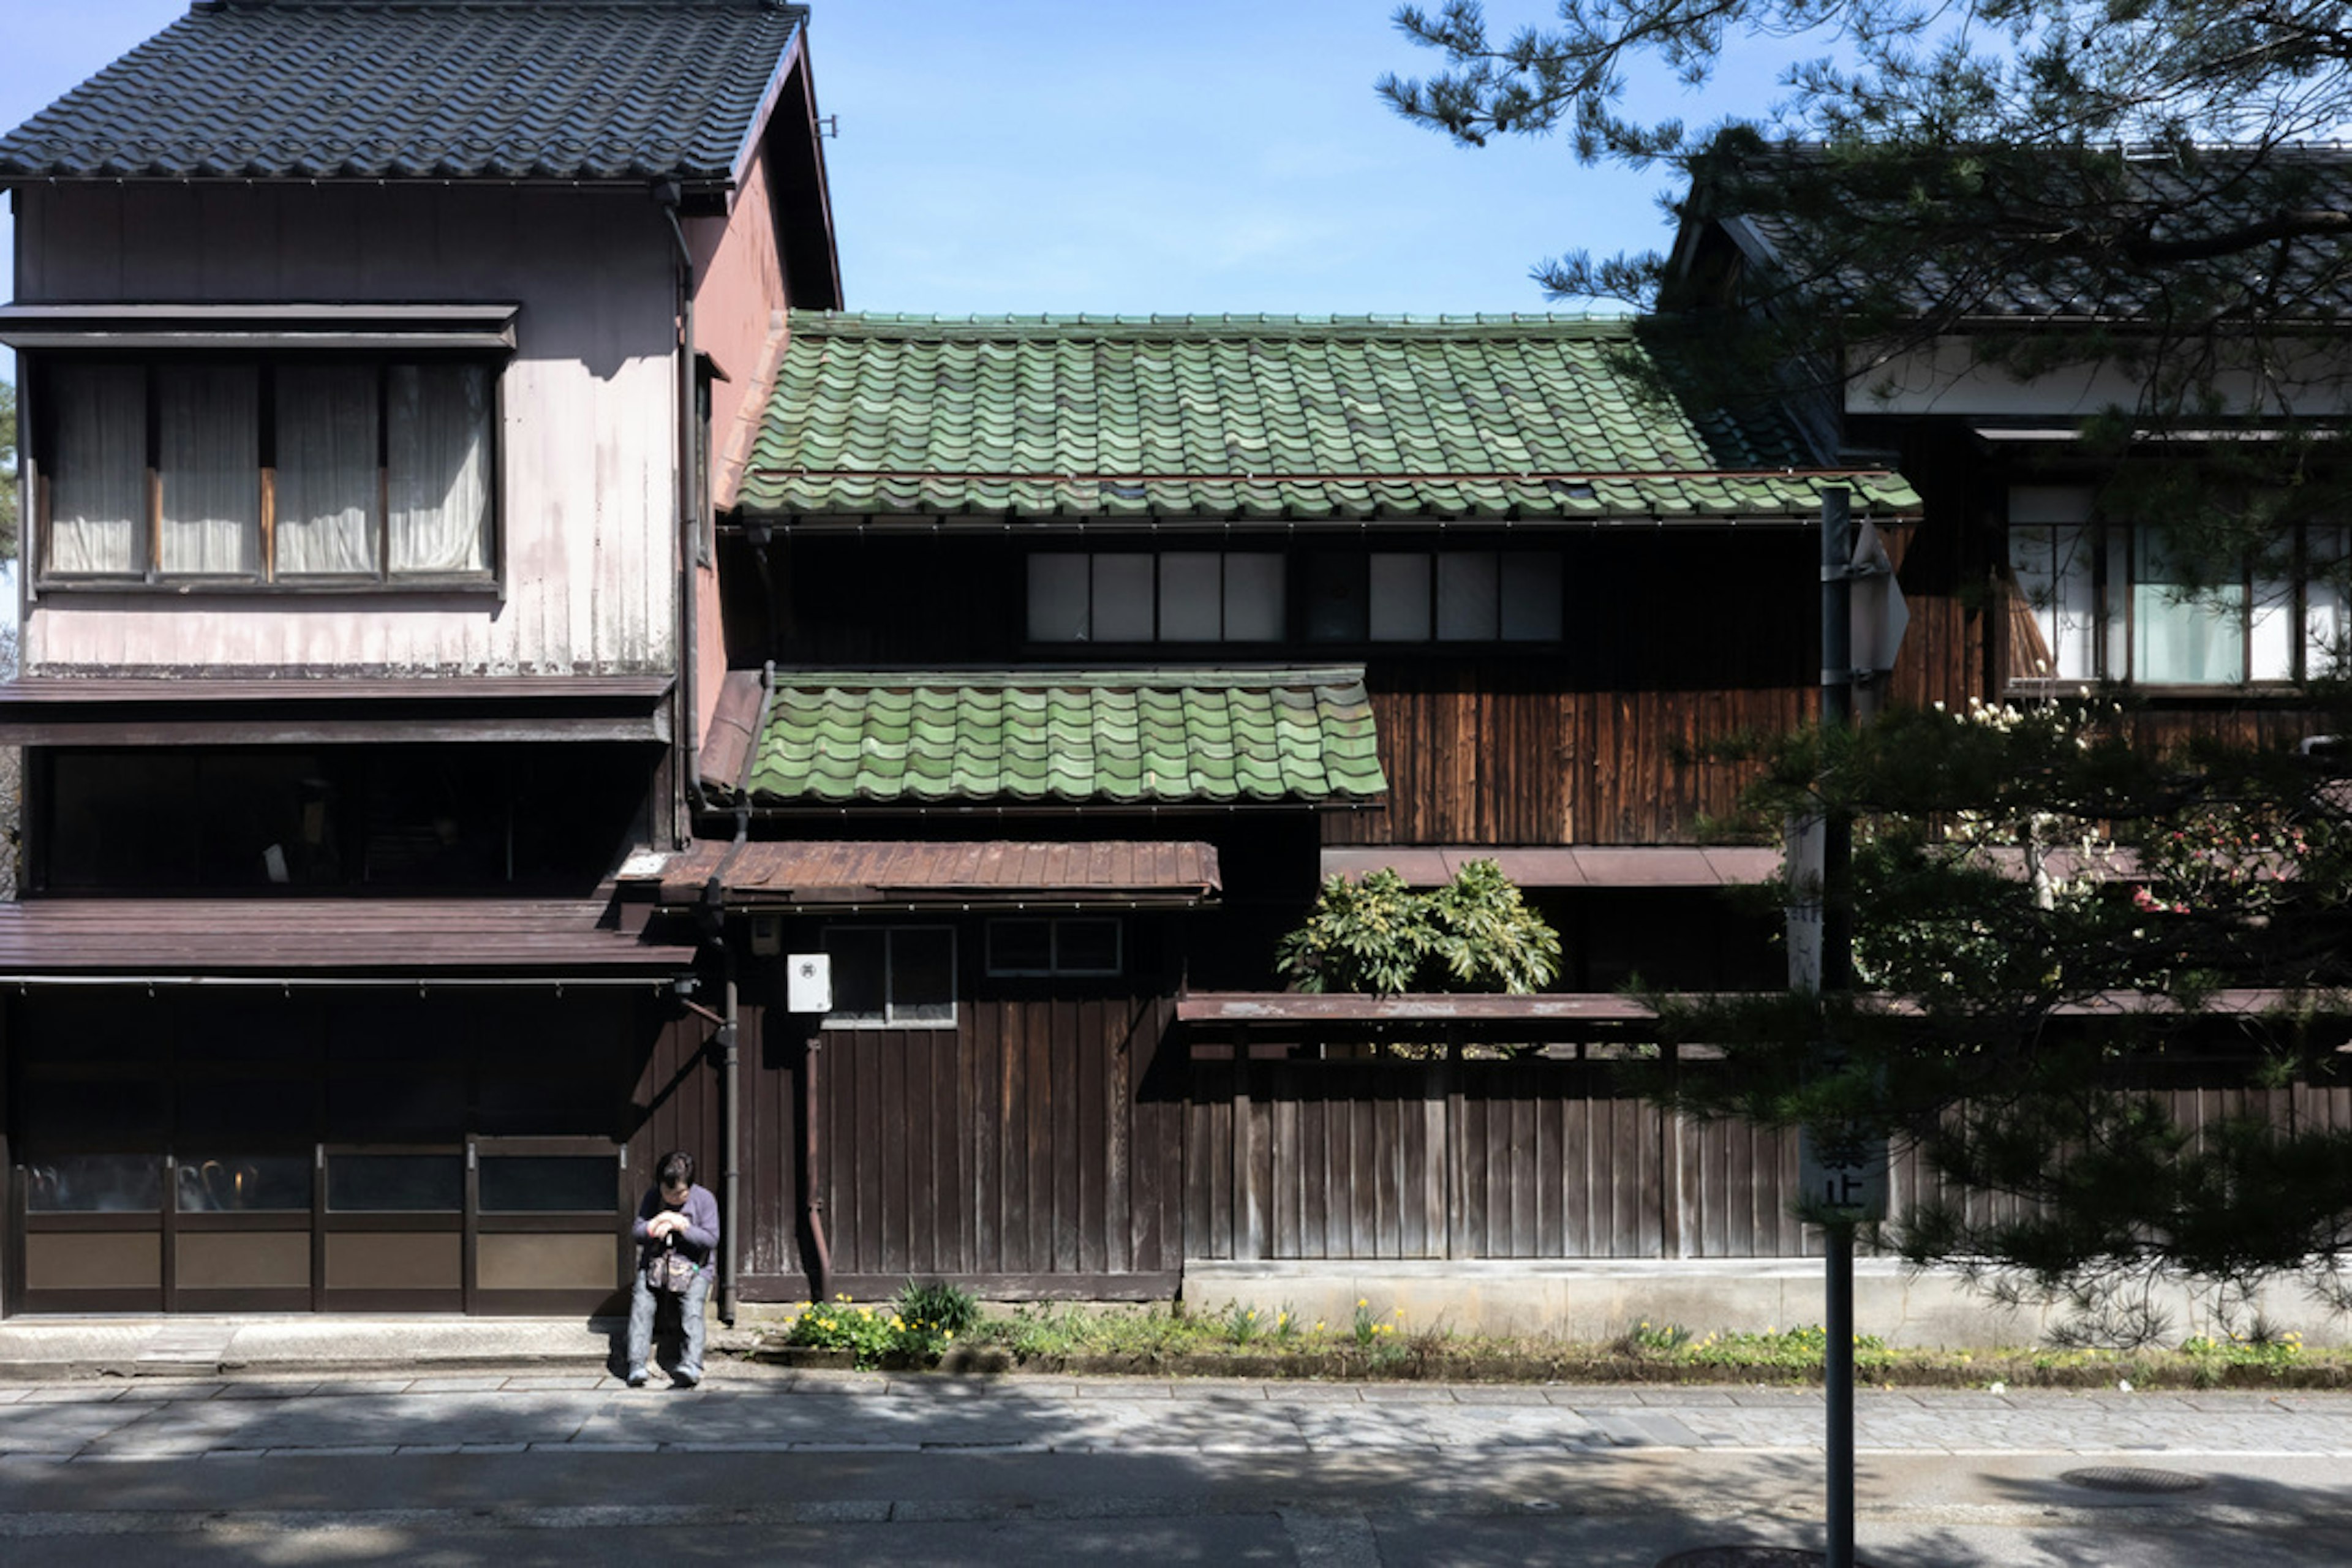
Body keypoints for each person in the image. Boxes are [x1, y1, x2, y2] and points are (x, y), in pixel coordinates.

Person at [625, 1150, 718, 1387]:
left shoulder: (705, 1199)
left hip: (695, 1268)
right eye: (668, 1192)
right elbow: (637, 1232)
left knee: (692, 1310)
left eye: (679, 1193)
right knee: (641, 1305)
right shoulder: (653, 1197)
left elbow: (711, 1239)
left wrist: (682, 1227)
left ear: (690, 1186)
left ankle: (692, 1365)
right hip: (656, 1266)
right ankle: (636, 1364)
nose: (673, 1198)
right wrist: (656, 1223)